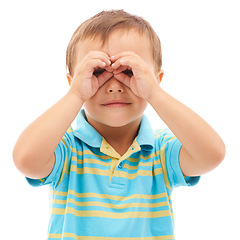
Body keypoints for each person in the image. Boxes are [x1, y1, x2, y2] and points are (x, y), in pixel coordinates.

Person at [13, 10, 225, 239]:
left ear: (156, 80)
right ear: (73, 82)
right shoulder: (68, 149)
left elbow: (212, 154)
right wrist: (75, 94)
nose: (114, 86)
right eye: (98, 72)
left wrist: (154, 93)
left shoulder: (161, 151)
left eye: (129, 71)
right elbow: (26, 160)